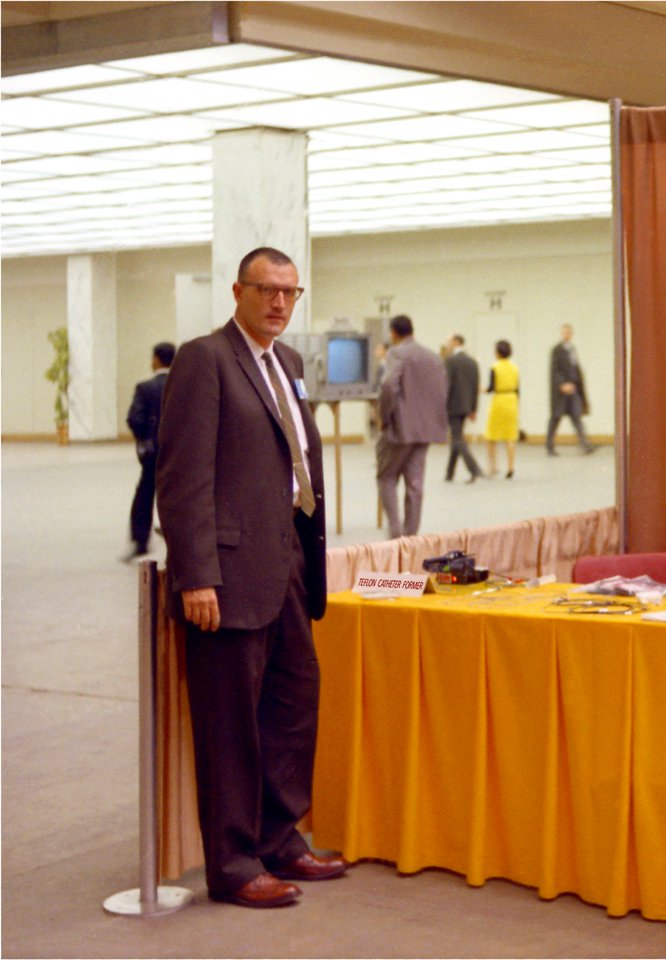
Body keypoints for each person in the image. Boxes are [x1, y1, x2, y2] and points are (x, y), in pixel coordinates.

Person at [155, 246, 347, 909]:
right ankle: (234, 865)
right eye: (267, 290)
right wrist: (196, 574)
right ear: (237, 290)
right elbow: (182, 476)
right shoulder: (205, 360)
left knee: (295, 700)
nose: (279, 303)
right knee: (231, 722)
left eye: (291, 293)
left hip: (288, 560)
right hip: (229, 575)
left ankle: (280, 834)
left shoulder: (288, 364)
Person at [375, 314, 448, 537]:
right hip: (425, 430)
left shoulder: (397, 352)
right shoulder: (433, 357)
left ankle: (395, 532)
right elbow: (442, 390)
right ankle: (411, 535)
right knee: (415, 483)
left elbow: (388, 386)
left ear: (394, 333)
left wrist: (384, 416)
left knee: (386, 476)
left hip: (400, 429)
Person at [123, 340, 174, 561]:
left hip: (153, 455)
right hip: (178, 453)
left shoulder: (145, 388)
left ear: (156, 359)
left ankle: (140, 541)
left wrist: (145, 436)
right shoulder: (182, 384)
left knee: (145, 494)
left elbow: (134, 418)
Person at [546, 323, 595, 455]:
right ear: (561, 333)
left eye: (569, 332)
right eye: (564, 332)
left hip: (574, 390)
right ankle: (549, 445)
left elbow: (575, 368)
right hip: (561, 392)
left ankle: (585, 444)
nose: (566, 334)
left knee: (576, 417)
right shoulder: (556, 350)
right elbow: (554, 370)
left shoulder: (572, 349)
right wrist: (562, 384)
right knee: (556, 418)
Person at [443, 334, 484, 484]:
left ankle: (474, 469)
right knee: (457, 436)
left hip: (453, 405)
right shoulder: (472, 362)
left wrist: (442, 404)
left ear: (455, 342)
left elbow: (447, 384)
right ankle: (449, 473)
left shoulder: (450, 361)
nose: (447, 345)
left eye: (449, 342)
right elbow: (475, 386)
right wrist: (474, 408)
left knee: (457, 438)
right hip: (466, 405)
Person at [484, 339, 520, 479]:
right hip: (512, 400)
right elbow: (518, 388)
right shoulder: (515, 367)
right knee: (510, 437)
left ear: (498, 352)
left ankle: (493, 466)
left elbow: (491, 388)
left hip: (499, 400)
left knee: (491, 436)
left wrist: (482, 389)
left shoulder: (495, 367)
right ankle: (511, 467)